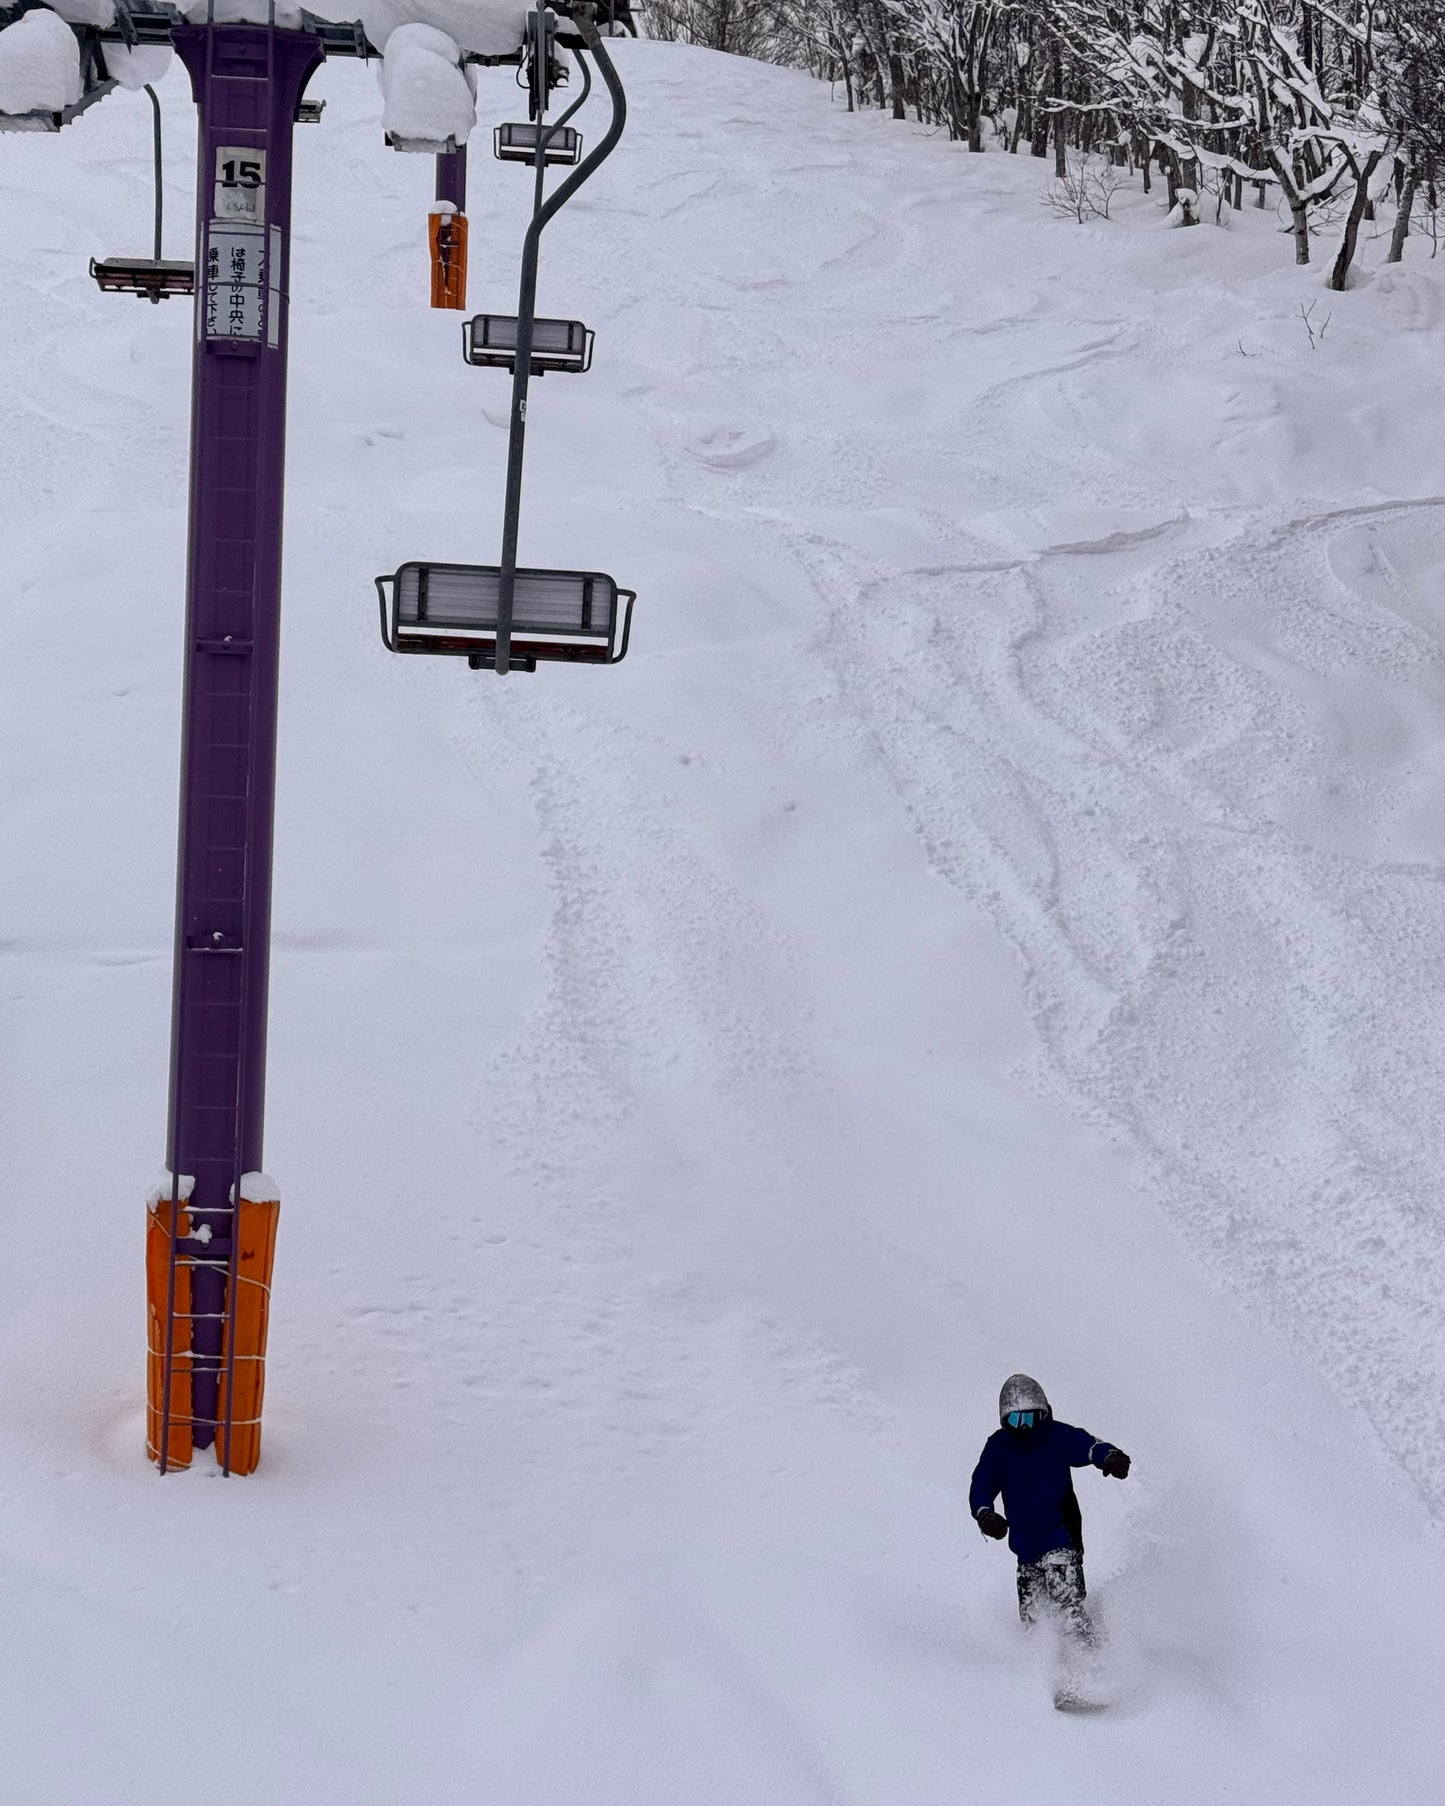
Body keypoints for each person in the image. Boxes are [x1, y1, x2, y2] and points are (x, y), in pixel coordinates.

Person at [969, 1374, 1129, 1643]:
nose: (1023, 1428)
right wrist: (986, 1515)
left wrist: (1109, 1457)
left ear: (1042, 1414)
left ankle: (1086, 1658)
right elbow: (981, 1484)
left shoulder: (1056, 1437)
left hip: (1060, 1535)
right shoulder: (999, 1447)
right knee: (1035, 1617)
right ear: (1004, 1420)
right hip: (1025, 1547)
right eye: (1015, 1420)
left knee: (1065, 1600)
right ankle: (1041, 1668)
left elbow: (1088, 1445)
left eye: (1030, 1418)